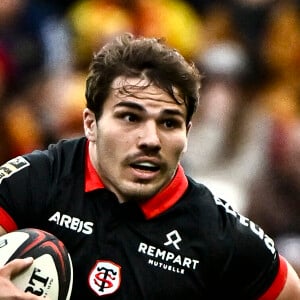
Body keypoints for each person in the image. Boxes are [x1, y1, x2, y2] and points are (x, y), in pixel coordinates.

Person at [0, 33, 299, 299]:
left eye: (169, 123)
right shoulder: (39, 178)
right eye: (131, 117)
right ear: (91, 124)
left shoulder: (216, 231)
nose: (151, 139)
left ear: (187, 133)